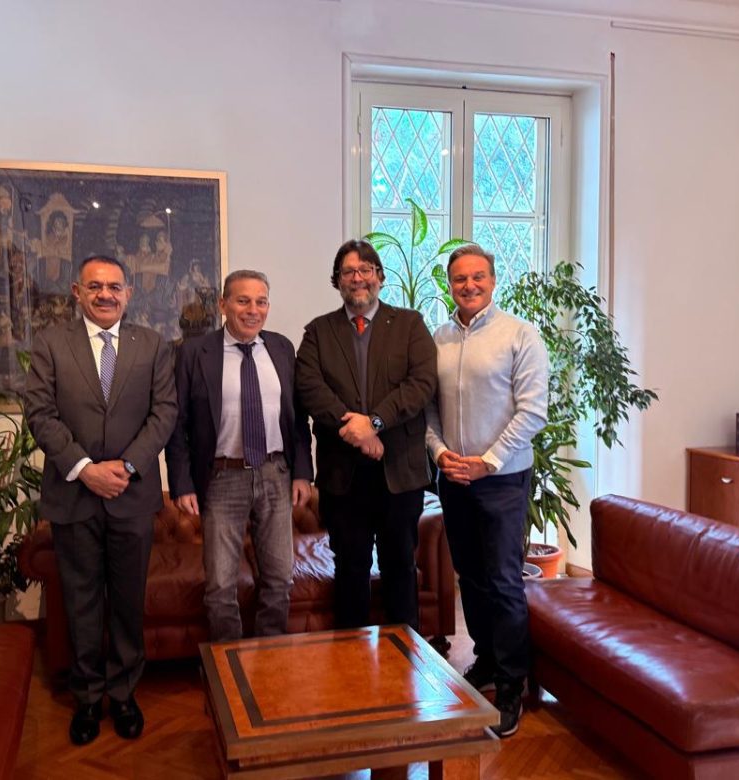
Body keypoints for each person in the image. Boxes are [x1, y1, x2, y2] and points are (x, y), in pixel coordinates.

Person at [24, 254, 177, 746]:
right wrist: (86, 469)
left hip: (132, 496)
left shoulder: (152, 345)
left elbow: (164, 413)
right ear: (77, 292)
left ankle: (124, 694)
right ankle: (88, 698)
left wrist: (126, 466)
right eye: (95, 286)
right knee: (82, 602)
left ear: (128, 293)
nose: (105, 294)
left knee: (129, 602)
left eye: (114, 286)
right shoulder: (51, 344)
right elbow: (40, 413)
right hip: (74, 496)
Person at [425, 244, 549, 739]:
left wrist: (488, 461)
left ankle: (513, 682)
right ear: (449, 285)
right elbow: (429, 410)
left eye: (478, 276)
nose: (469, 285)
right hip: (454, 478)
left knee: (503, 581)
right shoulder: (438, 338)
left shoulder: (520, 335)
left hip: (502, 480)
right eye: (460, 279)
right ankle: (486, 660)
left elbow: (533, 411)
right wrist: (440, 454)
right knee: (471, 579)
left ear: (494, 281)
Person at [295, 239, 437, 631]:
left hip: (399, 475)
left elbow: (421, 384)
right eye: (348, 272)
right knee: (350, 569)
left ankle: (406, 658)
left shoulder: (410, 325)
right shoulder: (318, 332)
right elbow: (310, 388)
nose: (357, 278)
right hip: (343, 478)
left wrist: (374, 422)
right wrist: (356, 431)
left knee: (400, 567)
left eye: (365, 270)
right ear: (337, 280)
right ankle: (351, 659)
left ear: (380, 276)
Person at [166, 270, 313, 640]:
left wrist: (302, 472)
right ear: (223, 304)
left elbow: (297, 417)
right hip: (222, 478)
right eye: (243, 301)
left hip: (276, 474)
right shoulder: (195, 353)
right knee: (220, 586)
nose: (253, 310)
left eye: (261, 302)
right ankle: (227, 665)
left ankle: (269, 660)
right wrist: (182, 484)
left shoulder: (282, 348)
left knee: (279, 579)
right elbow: (177, 424)